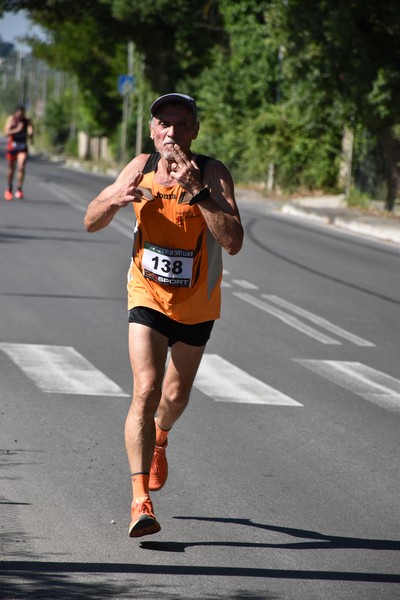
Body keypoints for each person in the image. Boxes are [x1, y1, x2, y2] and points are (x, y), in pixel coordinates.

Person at [84, 93, 243, 538]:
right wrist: (115, 197)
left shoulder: (212, 173)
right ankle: (140, 502)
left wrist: (199, 194)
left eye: (181, 123)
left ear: (194, 130)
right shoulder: (138, 168)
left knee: (174, 398)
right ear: (152, 130)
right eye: (163, 124)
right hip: (147, 296)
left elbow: (232, 241)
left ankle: (161, 436)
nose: (171, 132)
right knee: (147, 388)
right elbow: (90, 221)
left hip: (196, 305)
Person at [4, 105, 34, 201]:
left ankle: (19, 189)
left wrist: (31, 134)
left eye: (22, 113)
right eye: (19, 113)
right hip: (12, 146)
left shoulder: (26, 120)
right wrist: (17, 129)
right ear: (16, 113)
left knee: (21, 167)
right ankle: (9, 188)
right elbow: (6, 132)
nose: (20, 115)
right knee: (11, 169)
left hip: (22, 146)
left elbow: (30, 129)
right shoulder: (11, 119)